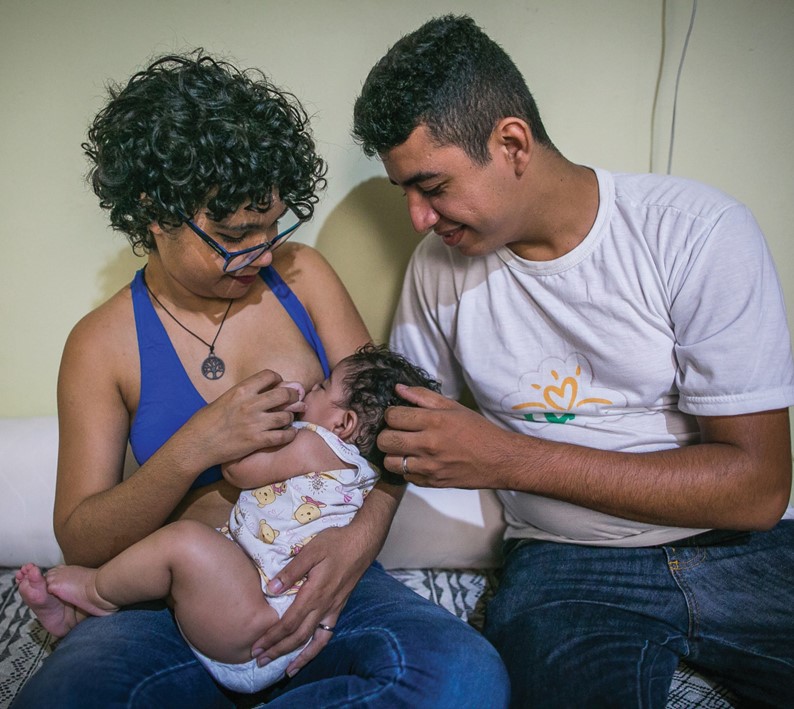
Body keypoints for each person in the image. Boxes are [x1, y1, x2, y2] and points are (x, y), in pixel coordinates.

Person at [12, 50, 509, 708]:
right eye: (237, 234)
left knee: (464, 679)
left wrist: (354, 545)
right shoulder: (102, 344)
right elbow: (81, 537)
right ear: (155, 213)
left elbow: (399, 426)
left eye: (274, 224)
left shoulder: (303, 278)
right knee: (67, 696)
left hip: (322, 573)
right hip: (176, 598)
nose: (264, 252)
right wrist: (199, 442)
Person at [352, 14, 794, 709]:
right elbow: (395, 439)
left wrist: (508, 458)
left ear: (512, 143)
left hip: (743, 551)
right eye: (404, 192)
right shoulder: (439, 269)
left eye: (432, 186)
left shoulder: (696, 233)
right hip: (569, 568)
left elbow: (758, 487)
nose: (418, 217)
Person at [17, 344, 442, 694]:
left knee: (184, 543)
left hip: (260, 617)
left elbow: (239, 471)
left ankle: (95, 593)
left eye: (321, 387)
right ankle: (82, 616)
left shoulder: (316, 443)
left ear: (344, 422)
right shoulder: (356, 468)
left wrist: (255, 424)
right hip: (269, 613)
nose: (311, 390)